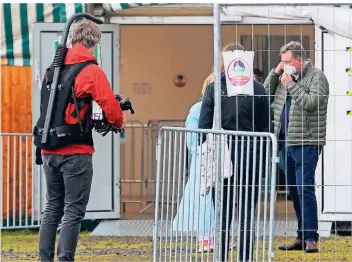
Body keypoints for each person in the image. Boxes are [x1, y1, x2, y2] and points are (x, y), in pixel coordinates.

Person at [34, 20, 125, 261]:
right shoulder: (91, 71)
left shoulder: (52, 70)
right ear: (94, 43)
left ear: (72, 39)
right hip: (75, 152)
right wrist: (118, 123)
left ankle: (45, 259)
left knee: (52, 208)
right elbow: (111, 108)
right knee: (73, 211)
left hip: (48, 149)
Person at [198, 43, 270, 262]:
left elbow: (203, 126)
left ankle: (220, 256)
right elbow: (265, 128)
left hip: (222, 156)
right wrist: (263, 162)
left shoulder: (214, 88)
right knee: (247, 211)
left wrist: (205, 155)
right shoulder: (258, 89)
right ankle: (245, 257)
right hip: (250, 155)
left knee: (222, 211)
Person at [264, 41, 329, 253]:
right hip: (287, 141)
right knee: (294, 190)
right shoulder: (283, 77)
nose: (284, 65)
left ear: (300, 61)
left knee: (305, 188)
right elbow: (264, 94)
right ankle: (301, 236)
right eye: (282, 62)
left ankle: (311, 238)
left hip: (307, 140)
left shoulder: (316, 76)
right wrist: (276, 73)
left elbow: (313, 102)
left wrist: (291, 84)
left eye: (288, 61)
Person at [171, 78, 215, 252]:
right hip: (203, 159)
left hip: (213, 158)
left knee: (215, 199)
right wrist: (201, 152)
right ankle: (204, 238)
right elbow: (192, 138)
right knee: (203, 199)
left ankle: (216, 236)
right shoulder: (198, 109)